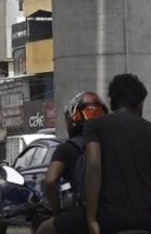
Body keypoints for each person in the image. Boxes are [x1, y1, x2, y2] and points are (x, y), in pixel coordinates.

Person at [84, 74, 151, 234]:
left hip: (112, 219)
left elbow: (94, 165)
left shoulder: (95, 127)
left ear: (112, 101)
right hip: (148, 220)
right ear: (140, 102)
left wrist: (91, 218)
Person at [37, 91, 108, 234]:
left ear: (72, 119)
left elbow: (50, 181)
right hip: (117, 212)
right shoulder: (111, 145)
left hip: (84, 215)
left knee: (42, 230)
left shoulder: (67, 149)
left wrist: (57, 214)